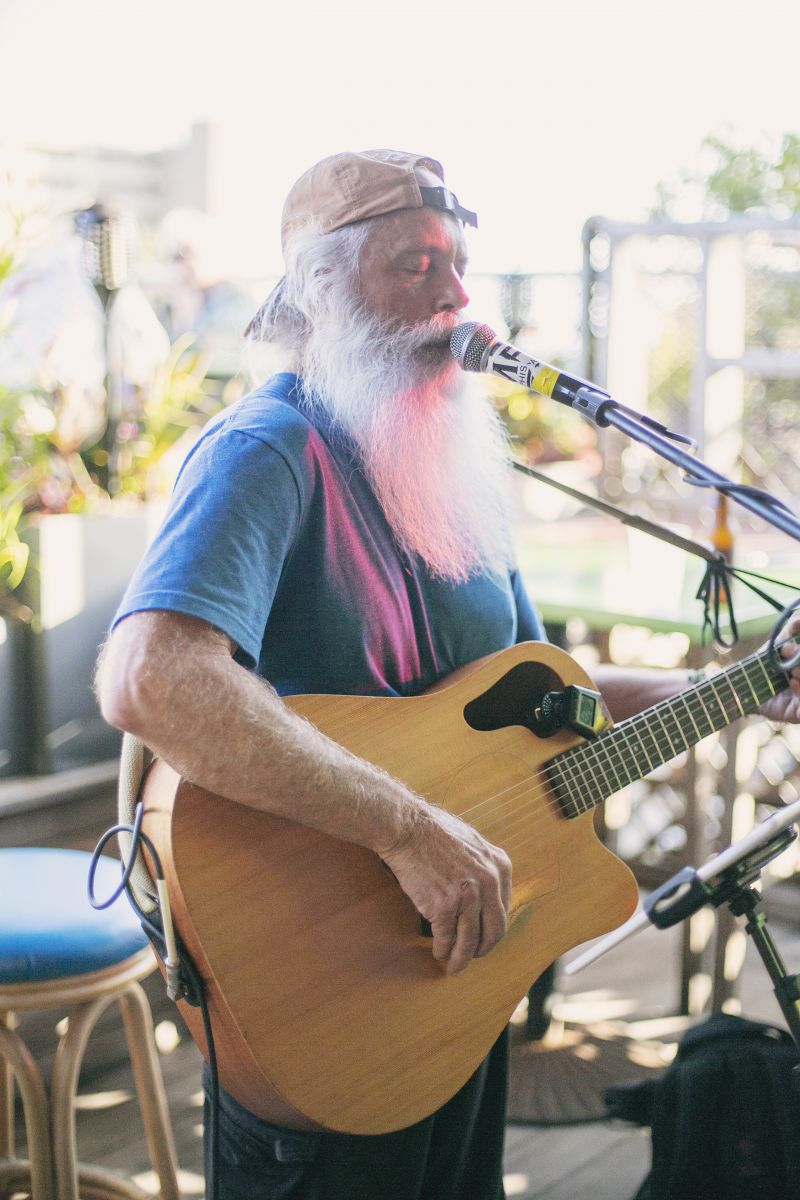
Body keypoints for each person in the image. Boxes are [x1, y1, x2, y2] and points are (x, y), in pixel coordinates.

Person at [96, 149, 800, 1200]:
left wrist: (754, 682)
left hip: (459, 976)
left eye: (458, 263)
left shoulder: (444, 462)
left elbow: (544, 700)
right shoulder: (267, 450)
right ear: (322, 290)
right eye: (414, 264)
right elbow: (152, 680)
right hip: (316, 985)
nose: (456, 296)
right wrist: (409, 829)